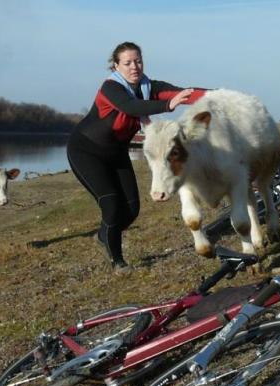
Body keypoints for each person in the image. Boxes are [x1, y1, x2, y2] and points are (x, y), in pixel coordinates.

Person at [67, 41, 205, 271]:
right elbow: (131, 107)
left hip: (117, 152)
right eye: (128, 62)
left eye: (138, 61)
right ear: (116, 65)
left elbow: (185, 94)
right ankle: (118, 261)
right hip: (86, 151)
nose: (134, 67)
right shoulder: (110, 88)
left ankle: (105, 235)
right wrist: (168, 104)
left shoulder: (148, 87)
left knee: (131, 210)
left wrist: (220, 96)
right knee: (111, 206)